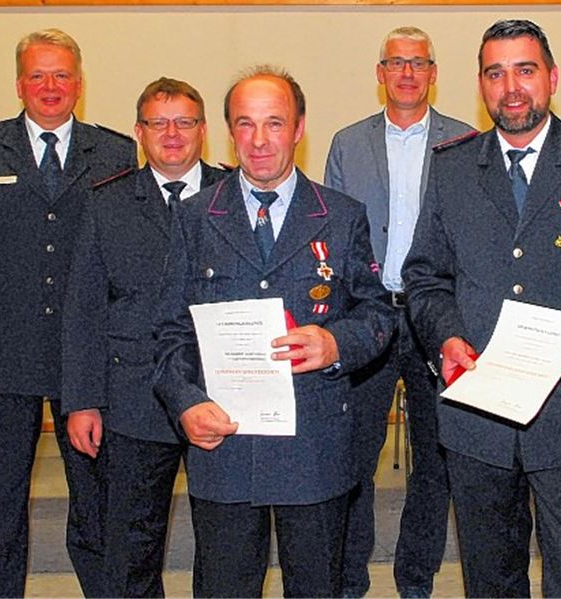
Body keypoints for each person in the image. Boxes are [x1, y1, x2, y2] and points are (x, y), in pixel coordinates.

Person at [402, 19, 561, 597]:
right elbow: (423, 277)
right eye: (496, 73)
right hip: (477, 417)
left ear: (552, 78)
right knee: (490, 578)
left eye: (525, 70)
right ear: (480, 85)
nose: (511, 87)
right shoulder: (451, 167)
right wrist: (444, 337)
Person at [152, 66, 394, 598]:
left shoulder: (341, 215)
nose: (259, 141)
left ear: (299, 128)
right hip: (225, 447)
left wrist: (335, 344)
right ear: (228, 132)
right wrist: (185, 402)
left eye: (274, 124)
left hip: (314, 450)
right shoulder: (194, 218)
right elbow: (170, 331)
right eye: (245, 125)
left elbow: (378, 316)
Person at [0, 28, 136, 597]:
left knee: (96, 500)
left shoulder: (115, 153)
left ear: (80, 83)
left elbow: (128, 256)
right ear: (20, 84)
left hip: (86, 362)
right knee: (1, 501)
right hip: (1, 361)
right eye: (39, 75)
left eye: (62, 74)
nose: (51, 86)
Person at [323, 26, 475, 598]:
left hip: (438, 320)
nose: (407, 73)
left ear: (434, 73)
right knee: (354, 457)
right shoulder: (347, 143)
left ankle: (417, 578)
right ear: (380, 73)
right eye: (395, 63)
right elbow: (335, 240)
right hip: (370, 319)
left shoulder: (464, 141)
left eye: (418, 63)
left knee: (437, 461)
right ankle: (349, 578)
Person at [61, 77, 228, 597]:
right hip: (131, 400)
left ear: (204, 130)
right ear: (139, 132)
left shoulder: (236, 196)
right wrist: (82, 402)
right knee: (131, 549)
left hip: (219, 396)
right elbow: (82, 309)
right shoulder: (104, 203)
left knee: (226, 546)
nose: (172, 134)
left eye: (184, 122)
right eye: (158, 123)